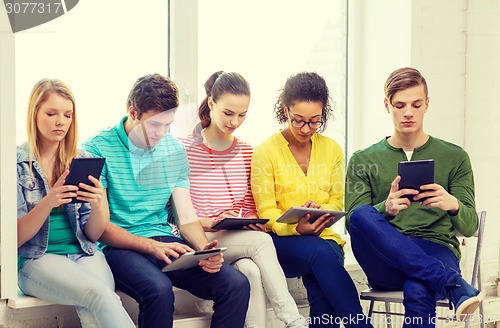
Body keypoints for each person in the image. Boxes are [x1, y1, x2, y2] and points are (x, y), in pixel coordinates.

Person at [81, 73, 250, 328]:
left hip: (166, 243)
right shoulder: (96, 149)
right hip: (119, 248)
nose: (162, 133)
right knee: (159, 290)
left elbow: (186, 217)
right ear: (133, 113)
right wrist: (150, 246)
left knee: (236, 284)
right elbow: (101, 228)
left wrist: (205, 249)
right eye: (154, 125)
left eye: (168, 125)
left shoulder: (174, 150)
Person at [345, 67, 484, 326]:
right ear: (387, 105)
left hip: (437, 249)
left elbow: (469, 226)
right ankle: (452, 284)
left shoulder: (455, 157)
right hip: (386, 257)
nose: (408, 112)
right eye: (399, 105)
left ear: (426, 104)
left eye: (416, 104)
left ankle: (441, 278)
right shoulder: (362, 160)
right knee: (364, 213)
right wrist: (385, 208)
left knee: (419, 285)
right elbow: (352, 223)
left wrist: (452, 205)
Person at [180, 71, 307, 328]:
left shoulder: (247, 151)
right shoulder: (184, 149)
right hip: (197, 238)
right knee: (260, 243)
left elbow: (249, 206)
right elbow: (178, 215)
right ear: (212, 104)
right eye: (228, 113)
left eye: (242, 114)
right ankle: (293, 319)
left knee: (250, 269)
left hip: (235, 238)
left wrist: (249, 221)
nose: (235, 121)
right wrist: (210, 222)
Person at [251, 72, 371, 328]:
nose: (306, 129)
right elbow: (267, 212)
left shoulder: (332, 149)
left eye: (315, 121)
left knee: (320, 293)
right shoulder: (265, 152)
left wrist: (322, 211)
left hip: (324, 239)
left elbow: (338, 201)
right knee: (321, 253)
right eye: (298, 121)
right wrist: (296, 227)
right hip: (281, 245)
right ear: (285, 110)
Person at [17, 79, 135, 328]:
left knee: (97, 301)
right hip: (37, 258)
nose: (61, 121)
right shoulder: (14, 164)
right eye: (51, 113)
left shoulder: (81, 160)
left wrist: (100, 201)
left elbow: (92, 234)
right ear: (34, 114)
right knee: (100, 295)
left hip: (84, 252)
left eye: (67, 115)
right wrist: (49, 201)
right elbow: (15, 238)